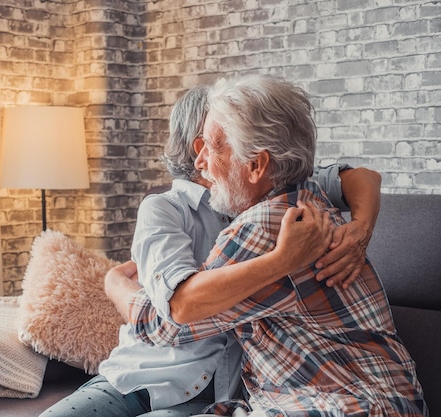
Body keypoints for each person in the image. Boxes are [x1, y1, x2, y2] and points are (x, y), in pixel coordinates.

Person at [39, 86, 381, 417]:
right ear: (194, 145)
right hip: (141, 375)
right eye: (205, 140)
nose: (204, 155)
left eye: (218, 140)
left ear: (252, 158)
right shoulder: (169, 208)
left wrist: (361, 228)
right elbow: (175, 312)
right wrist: (113, 285)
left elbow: (361, 177)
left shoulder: (272, 204)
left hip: (215, 392)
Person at [128, 75, 427, 416]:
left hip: (339, 406)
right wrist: (360, 226)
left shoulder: (265, 227)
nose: (199, 162)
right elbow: (365, 176)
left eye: (212, 146)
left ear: (256, 166)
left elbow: (164, 324)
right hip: (378, 398)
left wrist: (113, 284)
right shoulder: (308, 199)